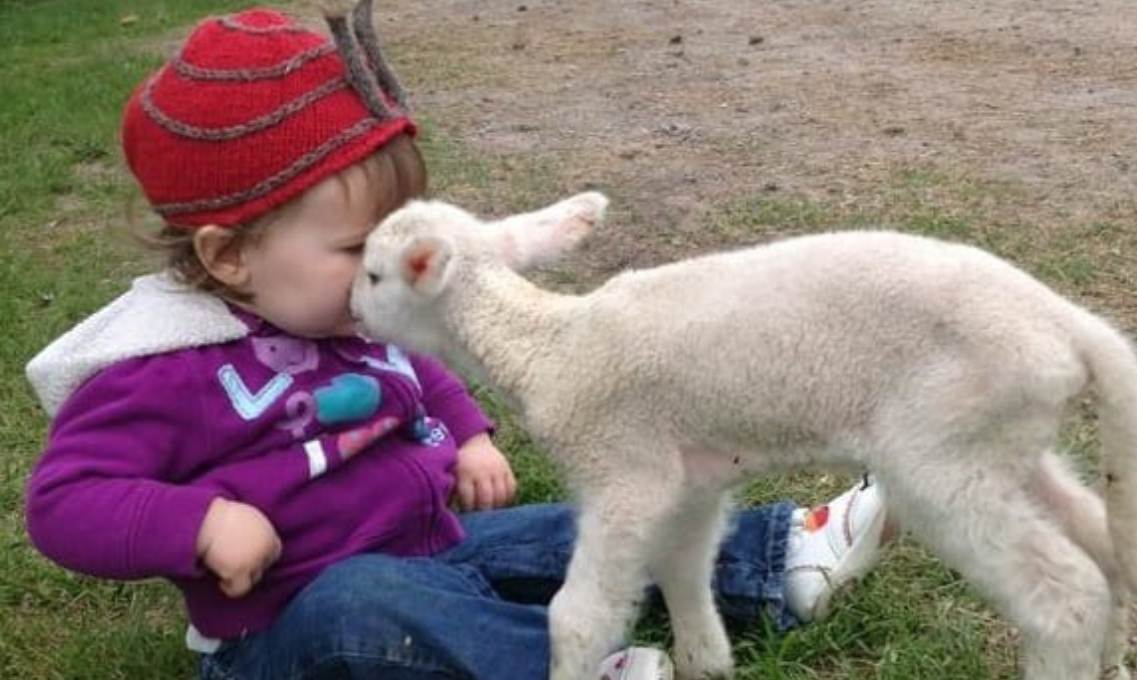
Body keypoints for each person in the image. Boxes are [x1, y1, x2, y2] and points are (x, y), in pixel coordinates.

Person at [23, 5, 888, 679]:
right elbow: (64, 504)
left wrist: (466, 430)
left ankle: (776, 558)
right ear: (232, 255)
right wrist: (199, 521)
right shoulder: (163, 370)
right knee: (365, 605)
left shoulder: (337, 308)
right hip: (286, 629)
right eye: (359, 248)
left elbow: (418, 369)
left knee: (569, 531)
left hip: (435, 539)